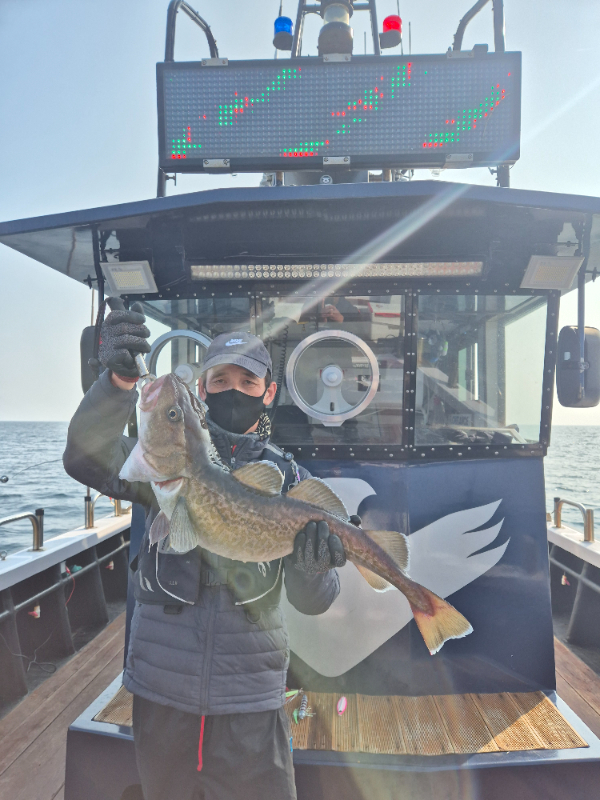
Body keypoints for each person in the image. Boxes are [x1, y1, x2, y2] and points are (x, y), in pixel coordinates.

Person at [63, 302, 346, 800]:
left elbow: (314, 600)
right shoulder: (159, 466)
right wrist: (116, 384)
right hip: (162, 692)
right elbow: (84, 457)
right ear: (203, 389)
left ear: (268, 393)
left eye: (247, 382)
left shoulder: (291, 481)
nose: (233, 391)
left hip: (251, 700)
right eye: (220, 381)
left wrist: (313, 568)